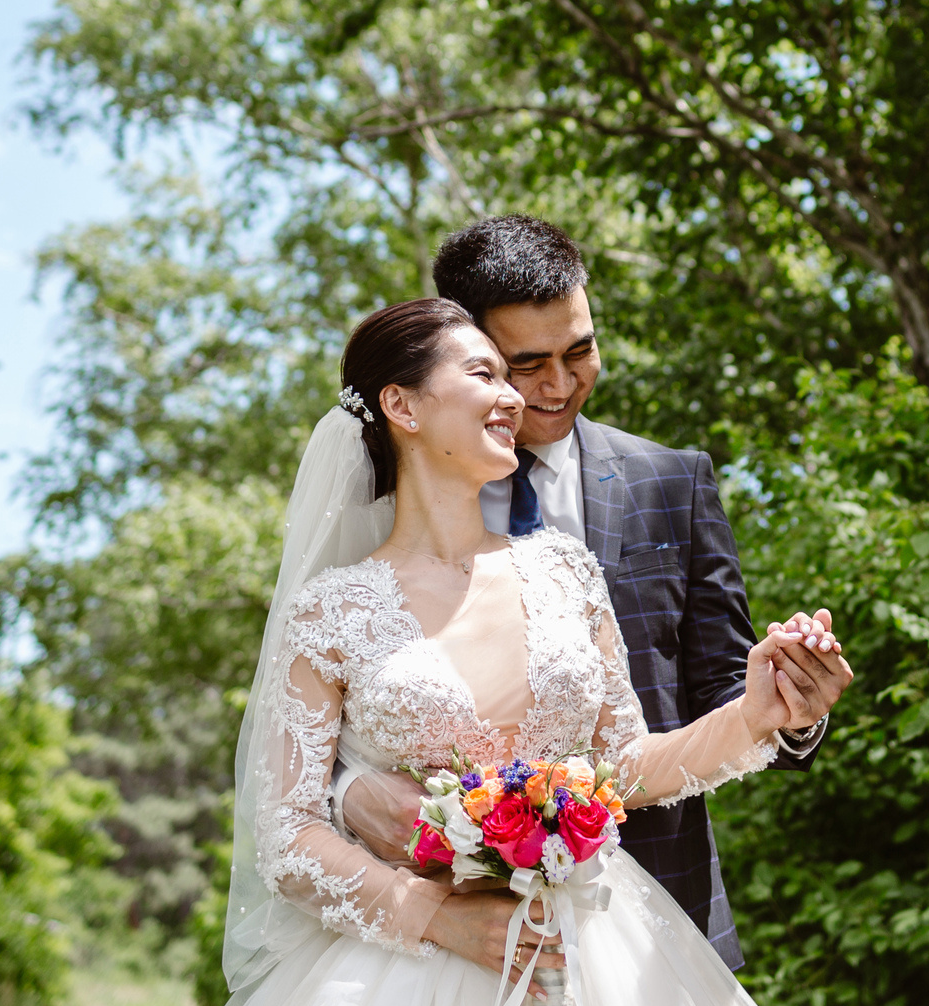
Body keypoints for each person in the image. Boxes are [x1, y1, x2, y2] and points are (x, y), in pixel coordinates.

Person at [184, 298, 854, 1006]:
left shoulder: (567, 573)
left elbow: (625, 767)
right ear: (402, 405)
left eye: (510, 376)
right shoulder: (330, 611)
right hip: (405, 992)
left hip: (598, 952)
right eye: (485, 373)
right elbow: (287, 834)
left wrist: (755, 714)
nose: (514, 396)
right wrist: (439, 917)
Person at [333, 215, 839, 967]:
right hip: (449, 933)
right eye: (526, 364)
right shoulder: (371, 504)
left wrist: (792, 703)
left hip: (656, 929)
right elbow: (319, 714)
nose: (560, 385)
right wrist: (349, 791)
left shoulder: (673, 483)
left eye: (580, 351)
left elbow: (723, 692)